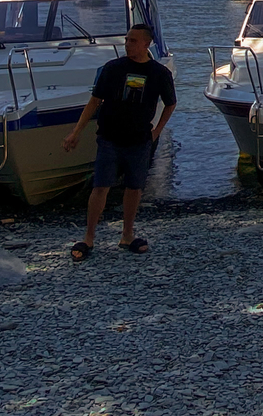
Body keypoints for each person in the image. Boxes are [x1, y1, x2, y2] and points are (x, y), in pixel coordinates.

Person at [61, 22, 176, 257]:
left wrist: (157, 131)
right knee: (100, 186)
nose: (128, 45)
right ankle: (89, 238)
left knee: (134, 188)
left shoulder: (159, 73)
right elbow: (94, 102)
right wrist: (76, 132)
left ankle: (127, 235)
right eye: (126, 40)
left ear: (146, 44)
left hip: (139, 139)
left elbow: (171, 103)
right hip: (109, 138)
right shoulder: (113, 68)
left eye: (133, 41)